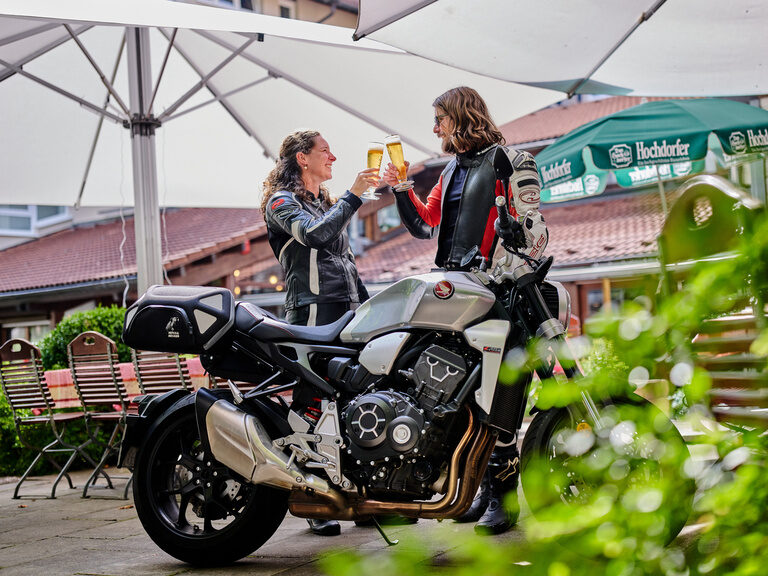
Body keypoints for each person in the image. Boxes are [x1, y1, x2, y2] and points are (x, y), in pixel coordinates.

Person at [382, 86, 549, 535]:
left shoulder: (514, 161)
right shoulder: (451, 169)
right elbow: (423, 225)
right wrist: (401, 186)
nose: (434, 128)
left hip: (501, 292)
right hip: (454, 293)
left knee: (501, 396)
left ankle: (503, 499)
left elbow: (538, 239)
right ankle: (473, 490)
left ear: (461, 116)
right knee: (459, 395)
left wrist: (511, 243)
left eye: (439, 118)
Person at [262, 130, 379, 535]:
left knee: (352, 396)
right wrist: (355, 194)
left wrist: (366, 309)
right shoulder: (282, 202)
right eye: (325, 150)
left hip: (344, 308)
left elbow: (345, 260)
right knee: (313, 399)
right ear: (301, 158)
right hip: (311, 310)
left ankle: (359, 497)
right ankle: (312, 498)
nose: (334, 155)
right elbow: (315, 236)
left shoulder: (325, 203)